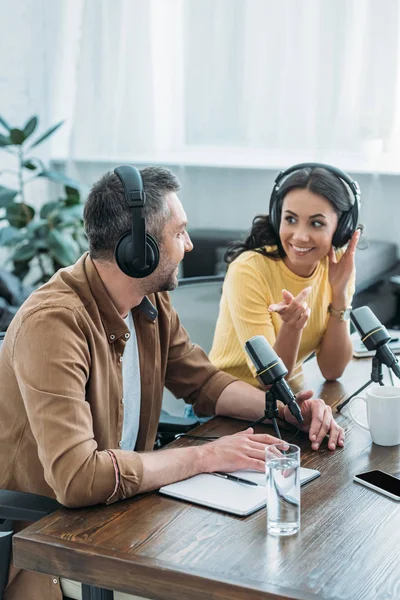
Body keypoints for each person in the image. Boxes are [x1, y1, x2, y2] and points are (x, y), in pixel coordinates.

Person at [0, 165, 344, 600]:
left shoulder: (149, 303)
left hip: (128, 514)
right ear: (137, 252)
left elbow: (204, 384)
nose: (190, 244)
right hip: (61, 543)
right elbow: (77, 478)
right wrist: (206, 456)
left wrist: (283, 408)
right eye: (179, 233)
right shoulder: (54, 324)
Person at [210, 163, 361, 390]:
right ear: (277, 217)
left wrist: (339, 294)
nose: (300, 236)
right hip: (225, 405)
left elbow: (333, 370)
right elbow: (270, 380)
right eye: (290, 219)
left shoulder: (337, 266)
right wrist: (292, 327)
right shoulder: (249, 270)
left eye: (316, 223)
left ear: (340, 230)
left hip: (288, 398)